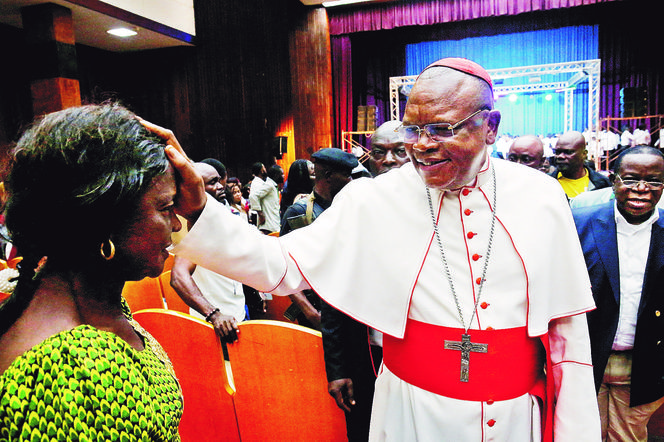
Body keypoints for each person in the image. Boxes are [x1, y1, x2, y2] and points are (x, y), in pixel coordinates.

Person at [163, 57, 601, 441]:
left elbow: (567, 339)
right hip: (412, 411)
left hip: (514, 416)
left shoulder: (540, 197)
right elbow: (278, 265)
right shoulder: (372, 198)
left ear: (490, 127)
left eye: (441, 129)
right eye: (413, 128)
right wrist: (198, 209)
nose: (422, 145)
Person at [0, 103, 184, 440]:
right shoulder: (65, 369)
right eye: (166, 208)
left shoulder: (89, 297)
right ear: (105, 221)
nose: (175, 224)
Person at [573, 146, 664, 442]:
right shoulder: (580, 222)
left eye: (653, 181)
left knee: (629, 437)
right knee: (583, 434)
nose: (641, 189)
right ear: (613, 181)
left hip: (645, 363)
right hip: (586, 358)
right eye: (630, 179)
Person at [280, 148, 357, 330]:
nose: (351, 180)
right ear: (329, 175)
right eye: (346, 175)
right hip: (319, 309)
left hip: (351, 305)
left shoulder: (350, 206)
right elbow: (284, 267)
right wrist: (310, 313)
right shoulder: (300, 213)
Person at [170, 162, 246, 342]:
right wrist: (214, 314)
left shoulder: (222, 216)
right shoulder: (199, 227)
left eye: (220, 180)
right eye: (212, 182)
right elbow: (178, 276)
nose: (220, 186)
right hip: (218, 327)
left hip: (237, 312)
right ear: (195, 189)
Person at [549, 130, 611, 198]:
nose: (560, 156)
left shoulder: (603, 184)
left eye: (568, 152)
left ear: (584, 154)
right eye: (557, 152)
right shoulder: (546, 183)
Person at [252, 165, 284, 234]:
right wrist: (260, 214)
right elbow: (253, 196)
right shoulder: (269, 185)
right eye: (282, 174)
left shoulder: (273, 185)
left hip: (273, 225)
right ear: (276, 175)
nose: (283, 176)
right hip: (268, 227)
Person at [248, 161, 267, 226]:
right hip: (257, 215)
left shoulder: (260, 181)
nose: (265, 169)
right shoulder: (256, 182)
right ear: (261, 170)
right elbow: (253, 196)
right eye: (264, 167)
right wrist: (260, 214)